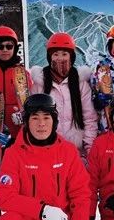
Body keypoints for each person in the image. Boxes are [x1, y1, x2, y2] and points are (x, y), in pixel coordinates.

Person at [30, 32, 97, 160]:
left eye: (64, 54)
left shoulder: (80, 83)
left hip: (77, 151)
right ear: (49, 57)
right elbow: (33, 118)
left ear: (72, 57)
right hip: (48, 149)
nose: (60, 58)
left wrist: (90, 148)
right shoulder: (40, 84)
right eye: (55, 54)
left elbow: (89, 118)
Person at [0, 26, 32, 140]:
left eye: (9, 46)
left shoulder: (22, 74)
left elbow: (31, 103)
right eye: (0, 46)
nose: (5, 50)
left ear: (15, 48)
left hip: (19, 135)